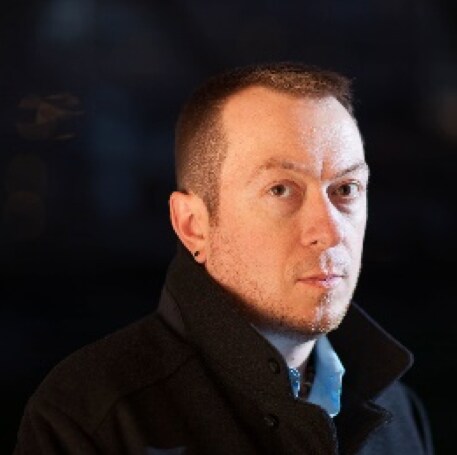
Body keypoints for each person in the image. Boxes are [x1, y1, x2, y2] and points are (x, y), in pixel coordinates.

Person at [14, 63, 433, 454]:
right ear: (193, 225)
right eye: (280, 190)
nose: (329, 231)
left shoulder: (398, 413)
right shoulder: (91, 418)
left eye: (345, 189)